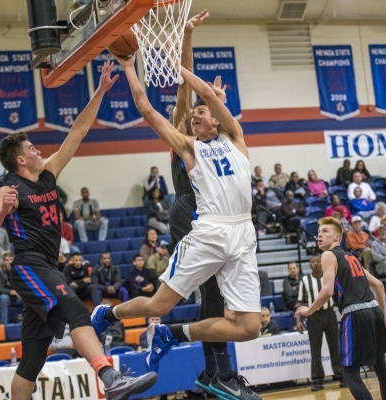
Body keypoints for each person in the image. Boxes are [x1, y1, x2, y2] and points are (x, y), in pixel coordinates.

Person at [0, 61, 156, 400]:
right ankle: (110, 377)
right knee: (75, 310)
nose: (38, 150)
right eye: (31, 149)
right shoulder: (7, 187)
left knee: (31, 360)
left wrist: (100, 91)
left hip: (48, 265)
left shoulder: (47, 173)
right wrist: (1, 209)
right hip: (29, 265)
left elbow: (78, 132)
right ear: (20, 160)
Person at [93, 51, 262, 391]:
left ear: (217, 118)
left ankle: (172, 333)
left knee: (249, 328)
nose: (195, 115)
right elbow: (147, 111)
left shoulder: (236, 138)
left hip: (244, 232)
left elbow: (211, 97)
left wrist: (183, 71)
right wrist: (129, 68)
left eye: (202, 111)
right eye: (194, 112)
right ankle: (105, 315)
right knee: (158, 304)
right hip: (210, 231)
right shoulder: (188, 147)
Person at [164, 13, 259, 399]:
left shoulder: (219, 142)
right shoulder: (184, 136)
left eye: (209, 109)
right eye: (201, 108)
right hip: (192, 211)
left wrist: (216, 100)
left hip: (222, 216)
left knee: (227, 304)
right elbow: (185, 84)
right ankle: (217, 373)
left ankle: (217, 373)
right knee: (213, 299)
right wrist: (186, 37)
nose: (202, 111)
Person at [295, 217, 386, 400]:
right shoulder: (352, 257)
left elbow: (327, 291)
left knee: (350, 374)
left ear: (337, 238)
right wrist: (384, 316)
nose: (319, 234)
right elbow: (379, 286)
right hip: (373, 311)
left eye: (325, 231)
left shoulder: (328, 255)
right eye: (318, 232)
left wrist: (309, 310)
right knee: (380, 368)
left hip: (355, 314)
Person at [296, 255, 344, 391]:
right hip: (313, 316)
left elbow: (338, 295)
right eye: (313, 261)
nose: (316, 263)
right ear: (309, 264)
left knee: (335, 346)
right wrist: (298, 320)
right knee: (315, 350)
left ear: (322, 263)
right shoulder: (304, 280)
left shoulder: (330, 277)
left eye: (318, 261)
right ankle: (317, 381)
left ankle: (341, 376)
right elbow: (301, 302)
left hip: (329, 313)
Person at [0, 251, 23, 325]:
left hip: (18, 297)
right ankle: (4, 325)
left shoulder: (20, 272)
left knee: (27, 297)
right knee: (4, 298)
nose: (9, 262)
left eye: (11, 260)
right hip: (6, 296)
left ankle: (24, 322)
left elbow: (23, 286)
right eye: (7, 260)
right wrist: (12, 292)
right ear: (3, 262)